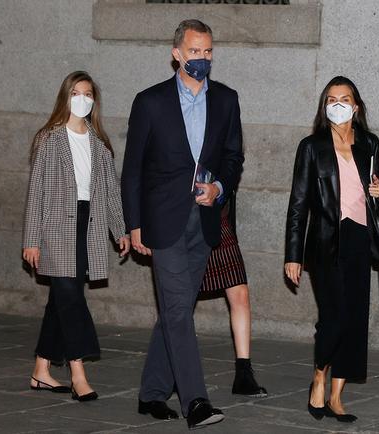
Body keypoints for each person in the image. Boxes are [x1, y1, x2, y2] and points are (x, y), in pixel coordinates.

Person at [121, 19, 244, 429]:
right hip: (162, 220)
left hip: (204, 222)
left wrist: (220, 188)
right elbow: (133, 170)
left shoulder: (226, 100)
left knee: (176, 309)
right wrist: (134, 224)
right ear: (177, 53)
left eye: (208, 51)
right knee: (178, 311)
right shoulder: (150, 102)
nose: (202, 59)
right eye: (194, 52)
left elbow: (233, 157)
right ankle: (196, 402)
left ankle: (152, 392)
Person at [284, 76, 379, 423]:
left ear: (356, 106)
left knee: (355, 318)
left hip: (360, 238)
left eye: (344, 99)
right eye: (331, 99)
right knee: (334, 316)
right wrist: (293, 254)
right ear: (324, 105)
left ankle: (337, 395)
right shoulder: (312, 146)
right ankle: (319, 374)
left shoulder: (369, 143)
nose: (338, 104)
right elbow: (298, 203)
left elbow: (378, 184)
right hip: (326, 241)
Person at [22, 70, 130, 402]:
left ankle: (41, 370)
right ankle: (78, 372)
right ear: (65, 97)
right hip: (56, 226)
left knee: (61, 298)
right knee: (70, 296)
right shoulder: (49, 138)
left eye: (88, 94)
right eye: (76, 93)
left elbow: (111, 192)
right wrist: (31, 239)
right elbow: (36, 191)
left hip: (89, 224)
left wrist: (120, 230)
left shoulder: (99, 144)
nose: (82, 99)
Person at [199, 192, 266, 397]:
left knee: (240, 293)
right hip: (183, 219)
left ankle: (244, 374)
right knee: (181, 300)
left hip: (217, 218)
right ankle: (173, 369)